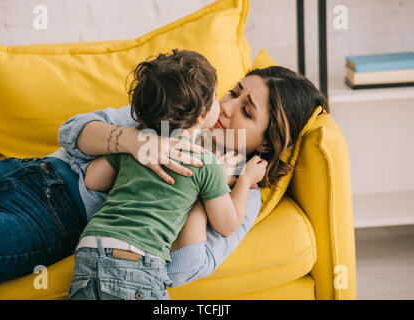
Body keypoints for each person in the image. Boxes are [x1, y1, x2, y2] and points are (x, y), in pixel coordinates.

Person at [0, 64, 328, 291]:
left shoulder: (239, 194)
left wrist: (205, 184)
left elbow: (186, 269)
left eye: (246, 111)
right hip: (27, 170)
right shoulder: (183, 111)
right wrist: (136, 141)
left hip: (52, 218)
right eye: (234, 91)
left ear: (266, 145)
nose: (227, 107)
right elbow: (71, 132)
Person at [68, 49, 267, 300]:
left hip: (88, 252)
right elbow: (227, 225)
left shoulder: (142, 144)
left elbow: (92, 180)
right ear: (201, 116)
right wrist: (244, 179)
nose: (225, 106)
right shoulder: (206, 164)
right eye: (217, 97)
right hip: (137, 267)